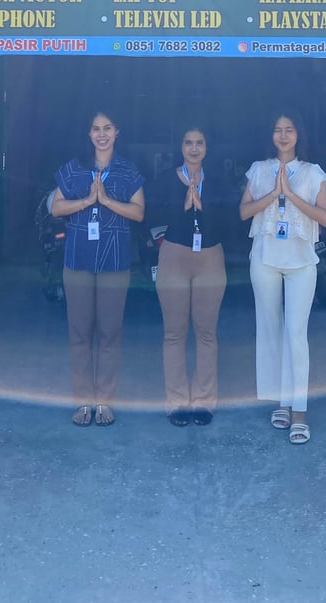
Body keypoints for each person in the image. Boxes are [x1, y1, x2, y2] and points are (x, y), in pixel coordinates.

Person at [239, 111, 326, 445]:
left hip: (300, 263)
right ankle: (281, 402)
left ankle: (300, 411)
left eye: (289, 129)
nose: (283, 135)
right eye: (277, 129)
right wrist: (273, 193)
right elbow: (244, 211)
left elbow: (325, 217)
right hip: (264, 258)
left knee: (295, 334)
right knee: (270, 331)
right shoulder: (258, 170)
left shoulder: (313, 173)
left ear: (298, 134)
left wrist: (290, 194)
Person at [48, 110, 145, 427]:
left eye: (107, 128)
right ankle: (83, 401)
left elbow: (139, 212)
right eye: (95, 129)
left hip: (114, 262)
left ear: (117, 132)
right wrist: (87, 201)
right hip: (78, 259)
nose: (101, 134)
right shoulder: (74, 168)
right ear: (89, 134)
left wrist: (106, 200)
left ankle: (104, 400)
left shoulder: (128, 170)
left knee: (109, 333)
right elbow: (56, 207)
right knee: (79, 333)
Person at [147, 126, 228, 426]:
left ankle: (204, 401)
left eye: (200, 143)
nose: (194, 148)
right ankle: (177, 401)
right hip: (174, 256)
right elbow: (150, 216)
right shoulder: (165, 179)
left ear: (207, 147)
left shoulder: (217, 180)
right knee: (174, 333)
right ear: (180, 146)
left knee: (206, 333)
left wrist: (203, 208)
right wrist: (182, 207)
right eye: (188, 142)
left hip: (210, 258)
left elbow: (231, 221)